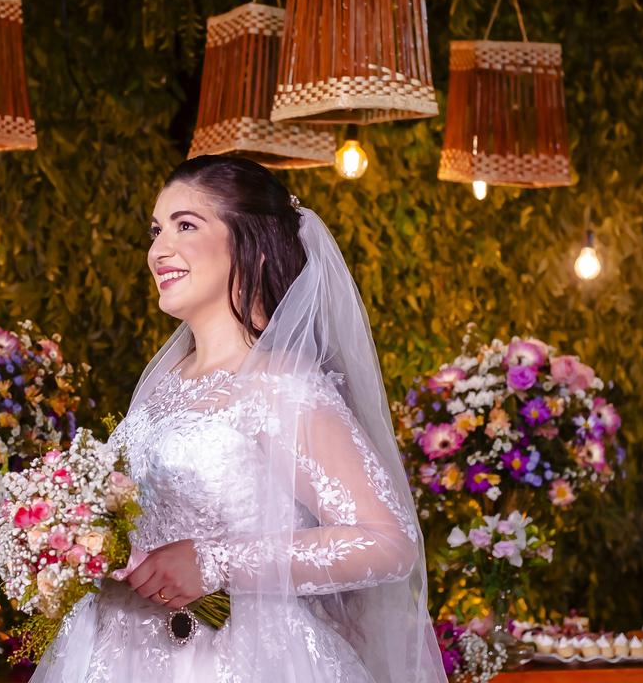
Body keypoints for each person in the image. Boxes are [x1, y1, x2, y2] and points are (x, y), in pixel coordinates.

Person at [31, 156, 446, 683]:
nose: (158, 250)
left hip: (243, 659)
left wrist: (213, 562)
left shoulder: (279, 383)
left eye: (185, 225)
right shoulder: (165, 381)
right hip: (117, 654)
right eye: (156, 231)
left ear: (252, 244)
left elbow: (387, 543)